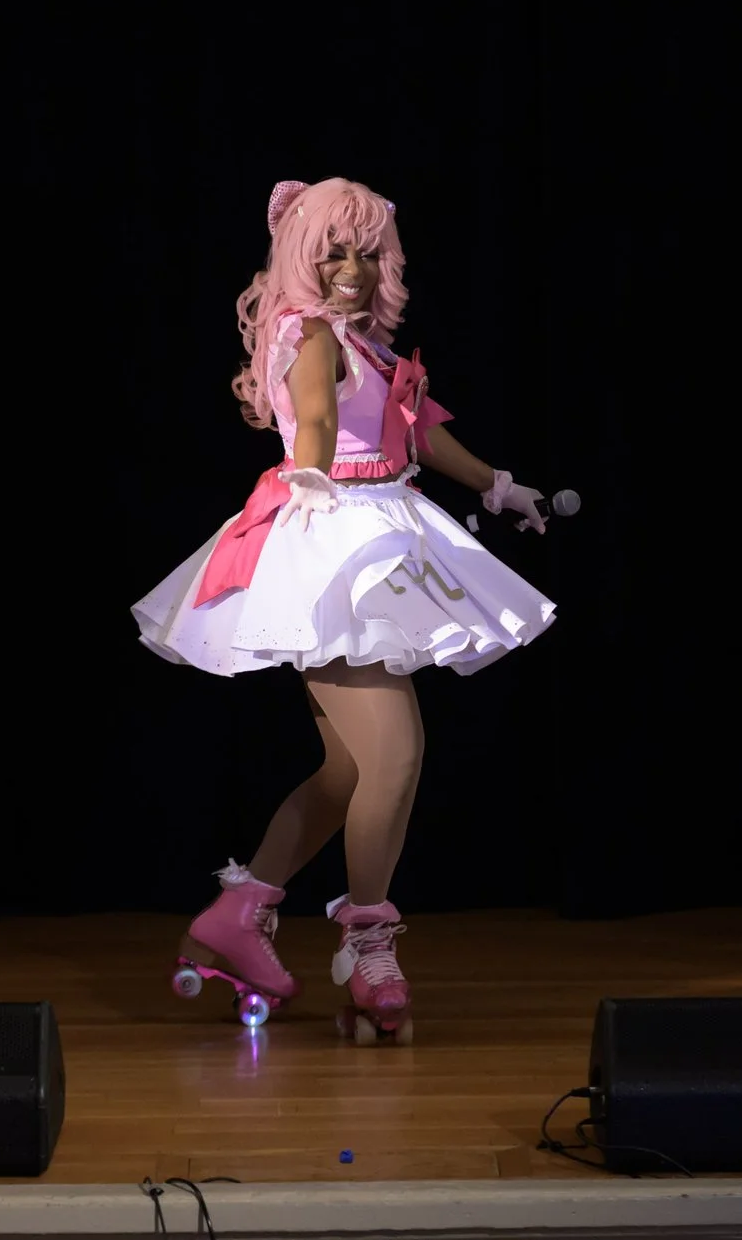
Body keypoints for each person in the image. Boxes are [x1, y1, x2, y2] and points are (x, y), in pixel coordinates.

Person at [133, 178, 557, 1040]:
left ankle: (235, 913)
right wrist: (313, 473)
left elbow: (422, 431)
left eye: (368, 251)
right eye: (335, 250)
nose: (354, 268)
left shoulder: (362, 343)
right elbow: (318, 417)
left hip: (381, 529)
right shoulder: (310, 336)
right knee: (396, 756)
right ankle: (370, 945)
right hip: (334, 541)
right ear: (300, 256)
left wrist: (500, 486)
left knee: (346, 773)